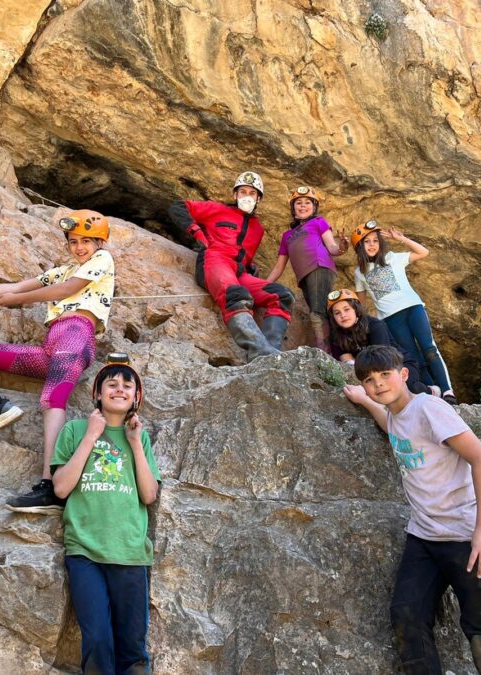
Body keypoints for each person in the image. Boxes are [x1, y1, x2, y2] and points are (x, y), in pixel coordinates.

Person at [343, 345, 481, 675]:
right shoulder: (396, 413)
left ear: (404, 374)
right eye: (369, 380)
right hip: (424, 538)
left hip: (466, 536)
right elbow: (393, 425)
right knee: (406, 616)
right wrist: (364, 401)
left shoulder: (430, 409)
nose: (378, 383)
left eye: (385, 374)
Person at [0, 210, 115, 514]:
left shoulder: (102, 260)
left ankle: (50, 485)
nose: (80, 247)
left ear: (100, 242)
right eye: (74, 242)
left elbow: (66, 290)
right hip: (51, 349)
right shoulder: (63, 269)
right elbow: (17, 287)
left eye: (87, 241)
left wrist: (18, 300)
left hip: (76, 335)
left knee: (51, 399)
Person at [51, 354, 160, 675]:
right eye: (111, 384)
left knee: (133, 652)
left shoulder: (141, 438)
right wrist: (91, 436)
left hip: (129, 552)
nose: (120, 389)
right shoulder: (75, 430)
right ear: (97, 393)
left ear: (136, 398)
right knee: (97, 640)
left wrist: (136, 444)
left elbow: (149, 494)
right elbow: (60, 488)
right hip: (84, 551)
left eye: (128, 386)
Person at [169, 171, 294, 362]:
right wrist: (197, 232)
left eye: (252, 193)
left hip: (239, 272)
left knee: (282, 295)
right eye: (242, 192)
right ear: (235, 195)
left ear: (258, 198)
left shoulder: (258, 229)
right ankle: (260, 352)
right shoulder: (216, 209)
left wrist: (251, 267)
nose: (246, 196)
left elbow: (244, 254)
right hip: (214, 261)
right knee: (236, 294)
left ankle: (271, 355)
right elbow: (178, 207)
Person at [351, 220, 458, 404]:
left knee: (429, 349)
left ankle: (448, 391)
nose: (372, 245)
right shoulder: (359, 273)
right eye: (366, 242)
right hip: (390, 319)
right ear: (360, 247)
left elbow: (423, 252)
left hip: (413, 309)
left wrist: (401, 239)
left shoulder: (393, 257)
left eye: (375, 241)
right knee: (413, 357)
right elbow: (362, 305)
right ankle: (435, 395)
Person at [265, 186, 348, 352]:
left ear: (314, 207)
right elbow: (279, 265)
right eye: (299, 203)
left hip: (319, 267)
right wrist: (263, 284)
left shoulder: (318, 222)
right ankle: (338, 351)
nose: (303, 206)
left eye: (307, 202)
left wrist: (342, 247)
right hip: (303, 277)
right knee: (321, 312)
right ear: (293, 208)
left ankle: (325, 353)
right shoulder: (287, 236)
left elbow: (332, 247)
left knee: (317, 312)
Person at [326, 289, 432, 396]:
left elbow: (380, 358)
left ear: (356, 310)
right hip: (370, 371)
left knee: (406, 388)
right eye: (337, 313)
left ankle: (431, 391)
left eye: (346, 309)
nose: (342, 315)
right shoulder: (336, 335)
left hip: (398, 363)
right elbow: (347, 361)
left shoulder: (375, 325)